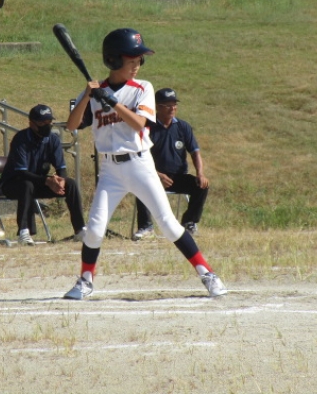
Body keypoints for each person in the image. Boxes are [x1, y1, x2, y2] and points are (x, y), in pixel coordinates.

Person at [63, 28, 227, 300]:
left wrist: (112, 102)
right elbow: (71, 125)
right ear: (114, 60)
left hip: (139, 164)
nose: (137, 64)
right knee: (94, 229)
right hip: (110, 170)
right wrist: (88, 96)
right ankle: (85, 281)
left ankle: (208, 274)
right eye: (132, 60)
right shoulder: (96, 92)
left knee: (168, 224)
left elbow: (140, 123)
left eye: (139, 60)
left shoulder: (143, 88)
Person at [0, 104, 85, 245]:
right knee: (27, 185)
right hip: (14, 183)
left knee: (71, 184)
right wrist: (47, 180)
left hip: (39, 183)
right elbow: (21, 173)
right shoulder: (21, 139)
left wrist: (61, 181)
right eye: (42, 122)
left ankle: (80, 230)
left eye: (49, 122)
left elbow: (61, 168)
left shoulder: (53, 139)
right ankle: (24, 232)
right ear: (31, 123)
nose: (47, 125)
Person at [133, 87, 209, 240]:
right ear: (157, 107)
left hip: (178, 177)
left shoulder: (183, 127)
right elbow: (137, 157)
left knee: (201, 186)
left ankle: (189, 223)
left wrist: (200, 174)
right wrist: (157, 175)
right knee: (140, 185)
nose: (172, 108)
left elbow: (195, 152)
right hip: (153, 176)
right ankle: (146, 227)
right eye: (167, 105)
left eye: (174, 104)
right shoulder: (147, 127)